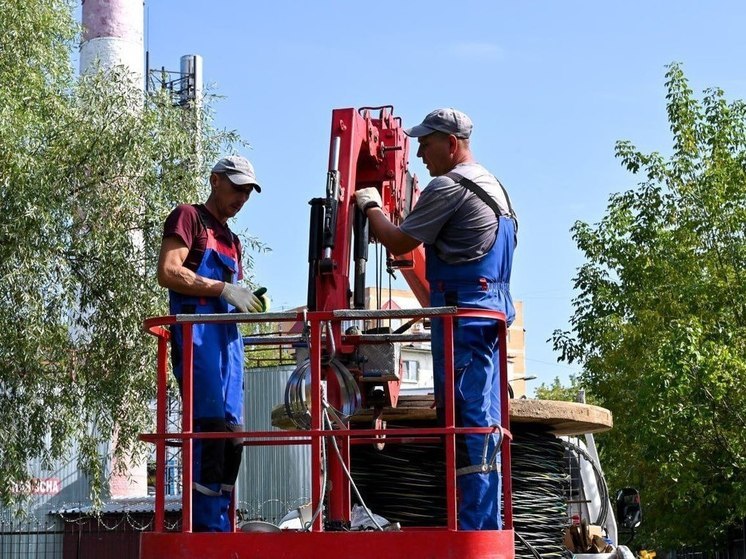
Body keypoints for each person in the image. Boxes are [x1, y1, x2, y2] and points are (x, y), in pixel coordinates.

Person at [354, 108, 517, 530]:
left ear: (451, 143)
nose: (420, 152)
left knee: (469, 428)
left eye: (426, 143)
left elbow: (399, 238)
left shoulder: (448, 187)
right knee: (482, 425)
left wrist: (371, 207)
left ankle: (475, 534)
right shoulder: (496, 188)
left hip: (463, 323)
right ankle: (481, 526)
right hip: (483, 320)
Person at [157, 155, 269, 532]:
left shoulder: (233, 240)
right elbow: (169, 272)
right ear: (215, 180)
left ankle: (221, 522)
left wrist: (246, 299)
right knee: (208, 430)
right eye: (236, 187)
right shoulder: (188, 217)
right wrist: (223, 288)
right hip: (198, 338)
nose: (242, 197)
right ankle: (205, 529)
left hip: (229, 341)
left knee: (232, 437)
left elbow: (230, 291)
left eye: (248, 192)